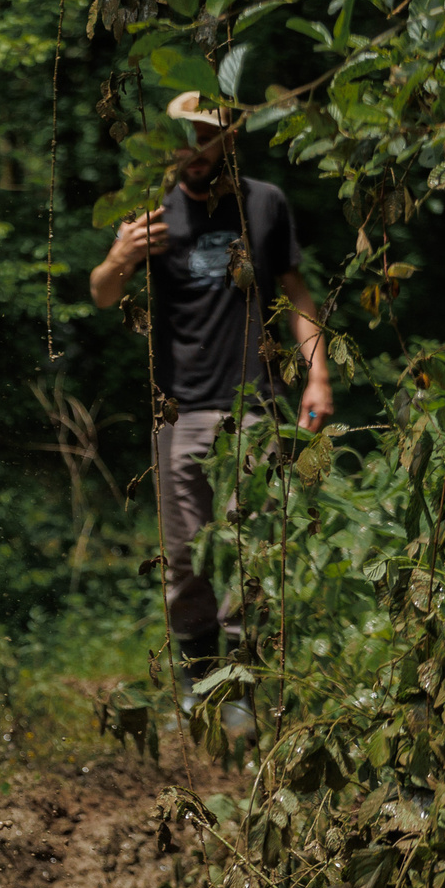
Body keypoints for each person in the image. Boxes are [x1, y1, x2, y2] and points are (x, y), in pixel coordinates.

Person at [89, 91, 331, 699]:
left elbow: (298, 295)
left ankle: (249, 696)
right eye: (186, 137)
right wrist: (121, 255)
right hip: (181, 412)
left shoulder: (262, 204)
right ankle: (200, 690)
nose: (196, 149)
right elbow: (100, 294)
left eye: (208, 136)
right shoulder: (151, 210)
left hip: (257, 407)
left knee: (251, 560)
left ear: (229, 138)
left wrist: (318, 375)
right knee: (185, 563)